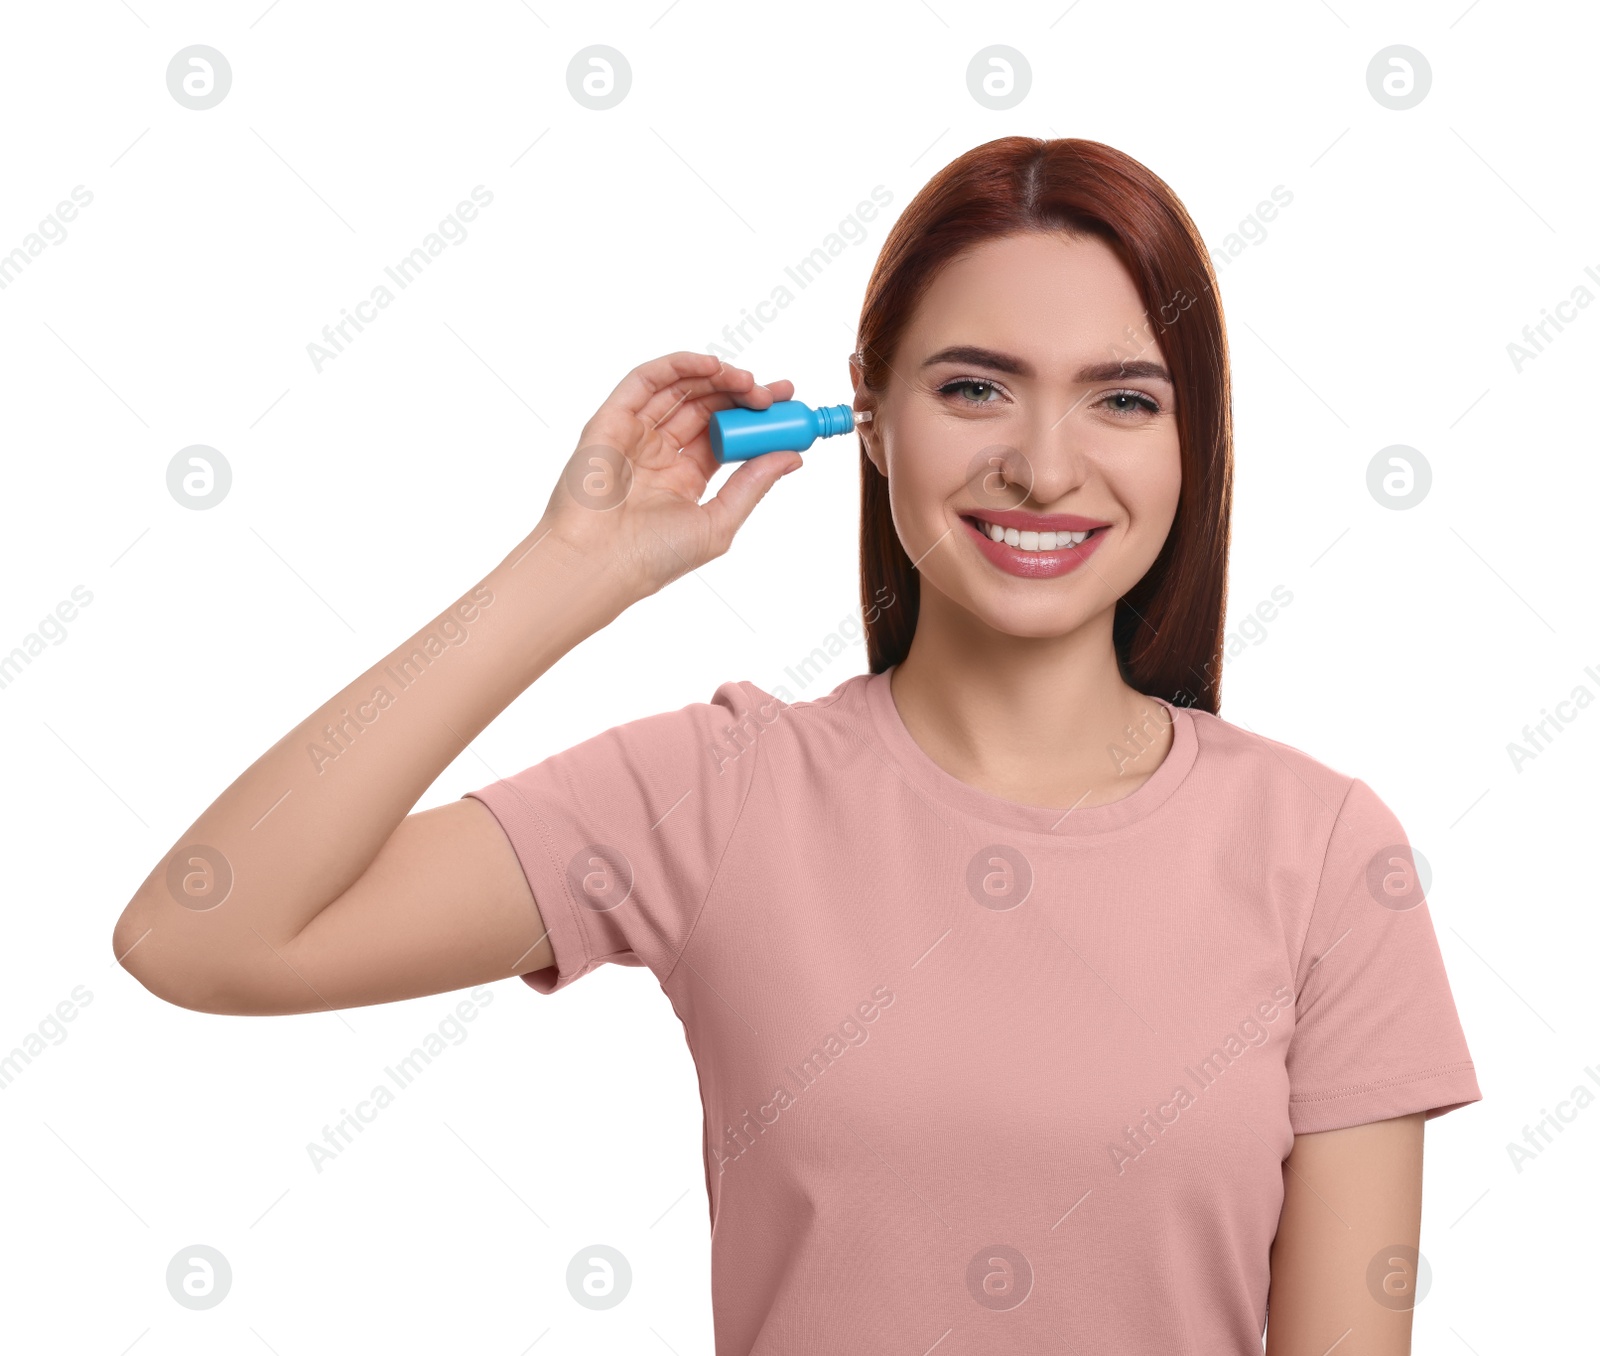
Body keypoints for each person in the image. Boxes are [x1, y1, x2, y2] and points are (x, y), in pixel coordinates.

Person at [113, 136, 1481, 1354]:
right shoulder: (716, 797)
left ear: (1195, 443)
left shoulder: (1324, 855)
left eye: (1123, 399)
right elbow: (200, 934)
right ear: (870, 419)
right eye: (976, 389)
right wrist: (569, 570)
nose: (1047, 467)